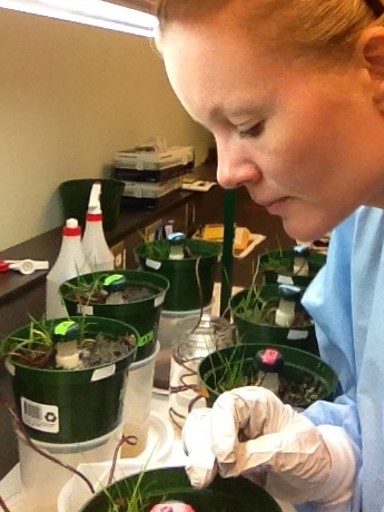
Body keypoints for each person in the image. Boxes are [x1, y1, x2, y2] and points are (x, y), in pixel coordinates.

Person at [154, 1, 384, 511]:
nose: (226, 173)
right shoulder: (363, 224)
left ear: (377, 67)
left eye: (249, 124)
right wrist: (332, 462)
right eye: (213, 134)